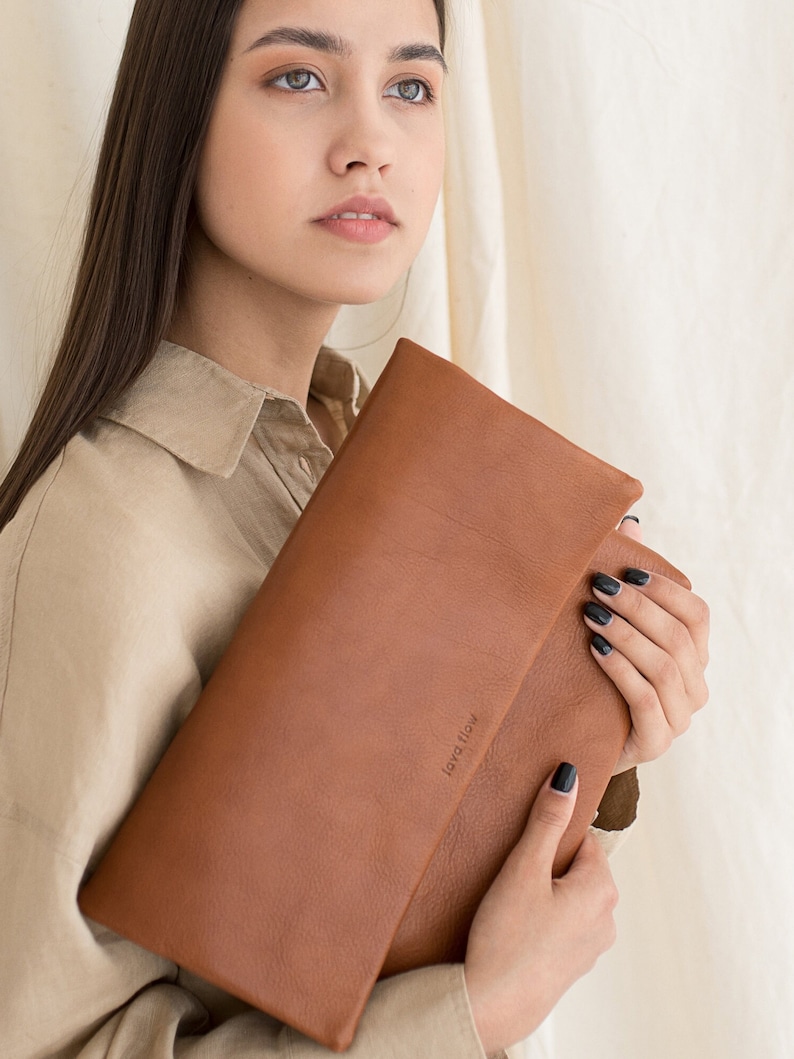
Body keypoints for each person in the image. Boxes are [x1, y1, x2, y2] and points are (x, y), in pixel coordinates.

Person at [0, 0, 710, 1056]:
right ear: (179, 118)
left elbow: (370, 887)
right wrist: (469, 1018)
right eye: (297, 78)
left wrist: (596, 722)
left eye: (410, 88)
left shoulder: (370, 465)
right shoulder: (104, 541)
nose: (371, 142)